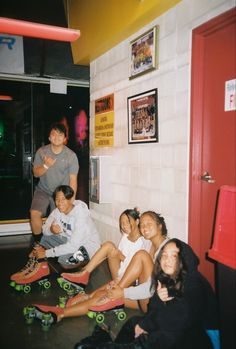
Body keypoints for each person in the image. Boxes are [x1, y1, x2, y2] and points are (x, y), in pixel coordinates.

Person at [75, 239, 219, 349]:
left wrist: (146, 325)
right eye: (164, 255)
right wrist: (157, 299)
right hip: (177, 329)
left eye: (174, 256)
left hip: (200, 338)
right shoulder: (167, 278)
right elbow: (153, 309)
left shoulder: (194, 283)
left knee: (160, 336)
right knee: (133, 323)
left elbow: (179, 318)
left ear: (183, 259)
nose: (167, 260)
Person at [27, 211, 169, 322]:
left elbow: (160, 286)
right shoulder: (149, 243)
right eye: (142, 225)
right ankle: (61, 313)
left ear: (160, 225)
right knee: (101, 296)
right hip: (141, 298)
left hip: (154, 302)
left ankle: (100, 291)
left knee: (140, 257)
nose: (144, 228)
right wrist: (97, 293)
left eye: (149, 224)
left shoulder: (168, 249)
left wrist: (122, 291)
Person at [10, 185, 101, 286]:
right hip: (69, 241)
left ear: (71, 199)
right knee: (46, 238)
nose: (60, 203)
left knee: (64, 260)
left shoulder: (81, 215)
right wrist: (51, 230)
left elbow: (73, 246)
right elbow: (44, 230)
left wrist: (46, 253)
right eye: (57, 199)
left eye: (63, 199)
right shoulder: (58, 211)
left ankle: (85, 262)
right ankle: (38, 266)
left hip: (87, 247)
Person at [30, 122, 79, 243]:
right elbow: (36, 173)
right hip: (43, 190)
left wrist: (70, 200)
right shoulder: (42, 152)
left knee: (56, 223)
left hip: (61, 194)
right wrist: (46, 165)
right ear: (49, 137)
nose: (57, 137)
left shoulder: (71, 156)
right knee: (34, 213)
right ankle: (38, 244)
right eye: (54, 134)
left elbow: (73, 179)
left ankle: (52, 245)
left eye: (60, 135)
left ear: (65, 138)